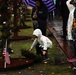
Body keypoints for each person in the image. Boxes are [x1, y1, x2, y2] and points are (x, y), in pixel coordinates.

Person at [66, 0, 76, 65]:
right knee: (74, 44)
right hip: (74, 30)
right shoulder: (73, 11)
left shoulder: (73, 11)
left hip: (74, 30)